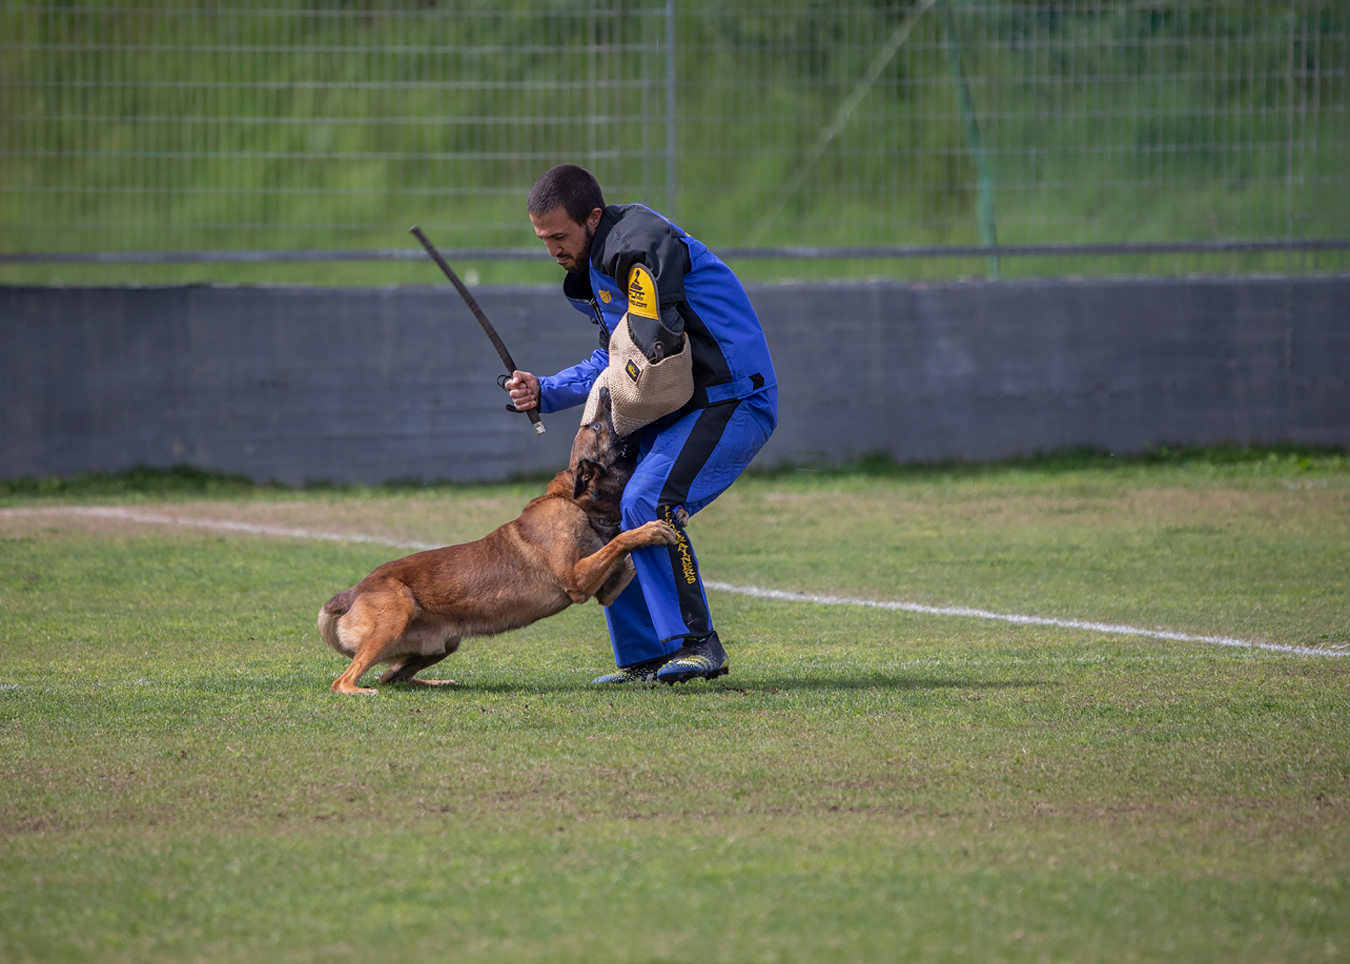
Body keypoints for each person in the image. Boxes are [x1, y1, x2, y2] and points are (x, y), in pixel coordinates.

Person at [505, 164, 778, 685]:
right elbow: (614, 359)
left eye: (560, 236)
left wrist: (657, 321)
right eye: (543, 240)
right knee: (608, 509)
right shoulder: (601, 272)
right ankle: (645, 656)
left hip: (733, 398)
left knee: (650, 503)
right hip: (680, 412)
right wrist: (545, 389)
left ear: (593, 218)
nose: (553, 251)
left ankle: (699, 645)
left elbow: (653, 242)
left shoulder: (633, 240)